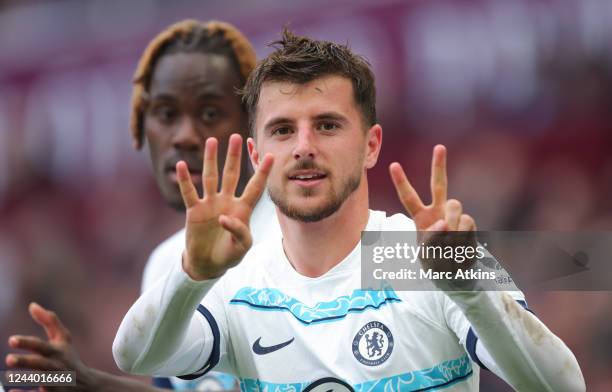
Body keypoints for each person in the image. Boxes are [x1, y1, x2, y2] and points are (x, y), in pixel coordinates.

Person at [113, 30, 585, 391]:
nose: (304, 148)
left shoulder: (424, 254)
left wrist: (470, 291)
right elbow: (134, 357)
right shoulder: (238, 280)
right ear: (257, 156)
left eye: (327, 125)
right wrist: (191, 274)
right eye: (282, 130)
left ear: (370, 145)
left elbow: (564, 384)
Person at [5, 19, 279, 391]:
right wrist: (86, 381)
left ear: (253, 124)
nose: (183, 136)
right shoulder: (165, 265)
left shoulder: (321, 224)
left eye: (211, 112)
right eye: (166, 114)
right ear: (140, 127)